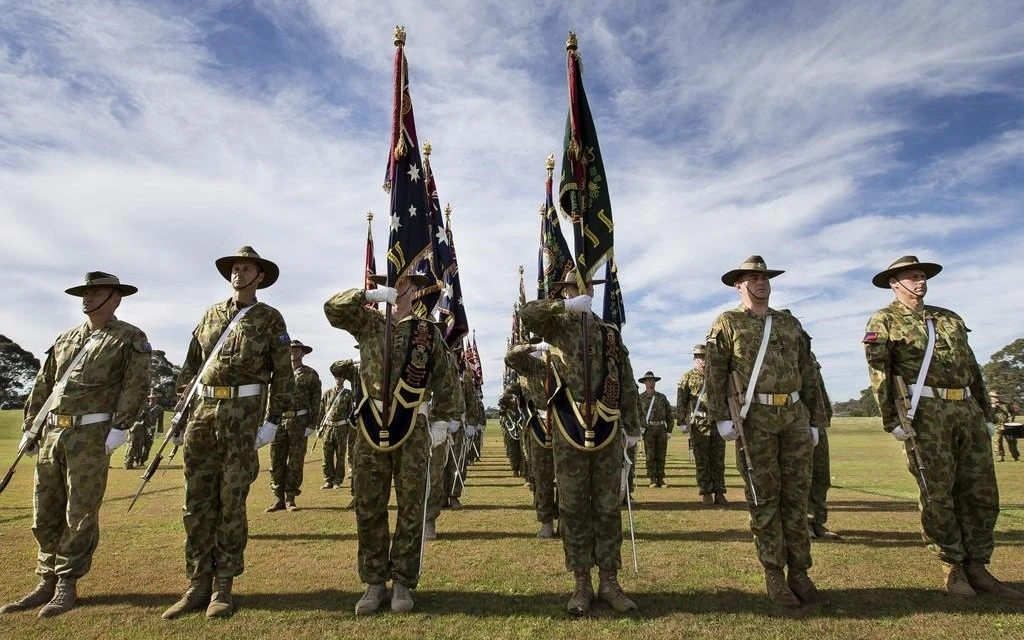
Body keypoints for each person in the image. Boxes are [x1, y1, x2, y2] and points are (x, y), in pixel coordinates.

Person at [864, 255, 1021, 600]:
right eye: (912, 277)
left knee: (981, 491)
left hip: (965, 407)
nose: (920, 282)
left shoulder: (948, 318)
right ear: (894, 283)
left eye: (922, 276)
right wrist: (892, 419)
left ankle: (979, 565)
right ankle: (953, 567)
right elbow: (879, 373)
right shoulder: (884, 320)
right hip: (926, 412)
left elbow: (972, 366)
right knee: (938, 492)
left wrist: (982, 409)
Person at [1, 271, 150, 618]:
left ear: (114, 297)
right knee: (44, 509)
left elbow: (136, 385)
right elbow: (43, 384)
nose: (86, 297)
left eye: (94, 291)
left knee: (80, 511)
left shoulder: (129, 337)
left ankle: (66, 582)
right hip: (53, 432)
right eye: (84, 292)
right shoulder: (66, 338)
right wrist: (30, 425)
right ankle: (45, 579)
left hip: (91, 434)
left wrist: (121, 427)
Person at [163, 246, 294, 620]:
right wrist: (180, 416)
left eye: (246, 268)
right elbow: (191, 367)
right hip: (202, 414)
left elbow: (282, 373)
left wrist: (272, 420)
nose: (238, 273)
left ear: (260, 277)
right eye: (235, 268)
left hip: (242, 415)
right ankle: (197, 583)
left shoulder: (269, 318)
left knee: (231, 500)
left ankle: (223, 585)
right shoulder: (210, 314)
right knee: (196, 500)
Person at [324, 272, 459, 615]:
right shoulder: (368, 323)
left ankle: (402, 581)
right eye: (391, 282)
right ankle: (373, 582)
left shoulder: (426, 332)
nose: (397, 288)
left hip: (412, 424)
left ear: (415, 289)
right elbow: (332, 309)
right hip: (370, 423)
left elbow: (445, 377)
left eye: (403, 283)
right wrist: (368, 294)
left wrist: (446, 418)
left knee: (411, 505)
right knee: (369, 503)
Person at [704, 256, 828, 608]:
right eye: (752, 278)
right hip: (753, 417)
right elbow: (716, 371)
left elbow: (809, 372)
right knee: (763, 495)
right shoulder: (727, 323)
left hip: (793, 416)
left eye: (764, 277)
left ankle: (800, 573)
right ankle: (774, 574)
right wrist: (720, 418)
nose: (761, 282)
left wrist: (815, 420)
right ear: (738, 285)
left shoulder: (789, 323)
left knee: (797, 496)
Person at [520, 270, 641, 616]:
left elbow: (626, 381)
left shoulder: (610, 334)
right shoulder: (556, 328)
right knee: (573, 505)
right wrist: (565, 307)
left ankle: (610, 581)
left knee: (606, 505)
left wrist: (632, 427)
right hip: (568, 423)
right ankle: (581, 583)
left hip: (607, 424)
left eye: (583, 288)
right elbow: (528, 313)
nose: (579, 292)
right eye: (573, 288)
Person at [505, 341, 558, 539]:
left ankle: (567, 521)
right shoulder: (532, 366)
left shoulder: (563, 360)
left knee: (566, 478)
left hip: (567, 423)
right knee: (542, 477)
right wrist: (532, 347)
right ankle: (546, 522)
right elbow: (511, 357)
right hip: (539, 425)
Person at [267, 340, 321, 512]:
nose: (292, 352)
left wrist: (312, 423)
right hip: (278, 421)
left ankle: (290, 497)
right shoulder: (278, 373)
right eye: (290, 349)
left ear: (303, 352)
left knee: (296, 461)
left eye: (296, 349)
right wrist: (266, 421)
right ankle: (278, 498)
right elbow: (270, 397)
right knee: (276, 459)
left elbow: (316, 400)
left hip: (299, 421)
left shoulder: (310, 374)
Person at [677, 344, 726, 506]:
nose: (703, 360)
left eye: (705, 356)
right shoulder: (688, 377)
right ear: (694, 358)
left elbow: (724, 397)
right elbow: (681, 401)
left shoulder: (716, 376)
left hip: (716, 422)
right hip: (698, 423)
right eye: (699, 357)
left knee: (718, 460)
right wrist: (681, 421)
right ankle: (706, 492)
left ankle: (719, 491)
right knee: (702, 460)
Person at [805, 347, 841, 541]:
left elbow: (819, 390)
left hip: (817, 422)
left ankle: (818, 521)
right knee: (802, 477)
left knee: (820, 475)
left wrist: (823, 417)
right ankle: (803, 523)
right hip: (797, 420)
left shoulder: (810, 355)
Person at [320, 359, 356, 489]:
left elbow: (351, 413)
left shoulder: (348, 394)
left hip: (341, 427)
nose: (338, 379)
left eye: (340, 376)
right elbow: (321, 411)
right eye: (336, 376)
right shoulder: (327, 393)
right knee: (327, 455)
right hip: (328, 427)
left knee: (340, 455)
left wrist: (349, 429)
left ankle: (337, 481)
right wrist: (319, 427)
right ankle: (328, 479)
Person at [638, 371, 674, 488]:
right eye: (648, 380)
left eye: (653, 380)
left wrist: (669, 430)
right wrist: (639, 428)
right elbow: (637, 415)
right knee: (650, 455)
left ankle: (661, 479)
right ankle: (652, 479)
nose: (651, 382)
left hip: (661, 429)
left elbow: (669, 414)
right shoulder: (640, 398)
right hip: (648, 429)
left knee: (661, 455)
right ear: (644, 382)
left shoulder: (662, 397)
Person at [124, 391, 163, 469]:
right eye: (151, 398)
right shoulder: (144, 406)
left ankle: (141, 461)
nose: (152, 400)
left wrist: (159, 431)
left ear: (156, 399)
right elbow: (146, 418)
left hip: (148, 428)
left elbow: (160, 420)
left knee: (146, 446)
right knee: (137, 445)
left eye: (154, 398)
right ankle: (132, 461)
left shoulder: (159, 409)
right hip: (140, 428)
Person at [990, 392, 1019, 462]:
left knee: (1012, 441)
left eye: (995, 397)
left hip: (1008, 426)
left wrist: (1011, 418)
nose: (994, 398)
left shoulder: (1005, 404)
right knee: (997, 442)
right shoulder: (989, 406)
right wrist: (993, 407)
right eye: (992, 397)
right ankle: (1000, 456)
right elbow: (988, 415)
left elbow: (1012, 413)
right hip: (997, 426)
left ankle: (1015, 456)